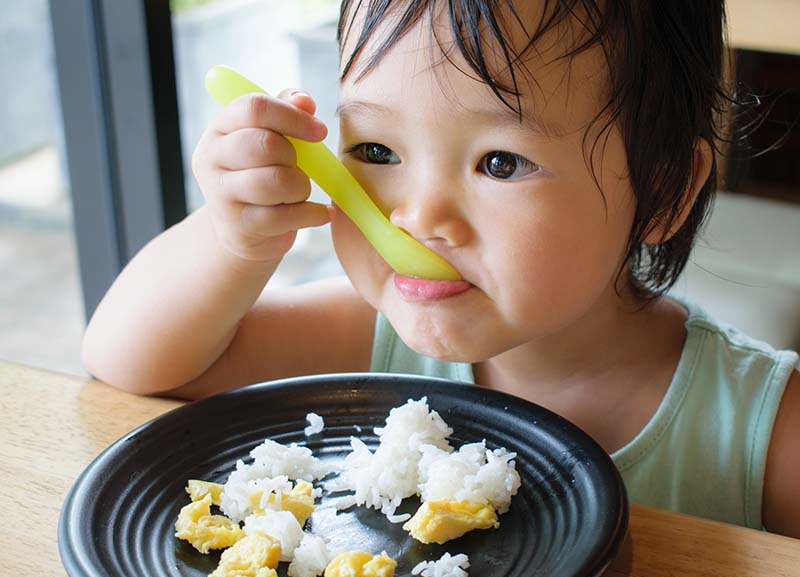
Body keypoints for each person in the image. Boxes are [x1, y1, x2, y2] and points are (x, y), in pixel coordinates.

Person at [82, 1, 799, 537]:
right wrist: (228, 240)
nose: (416, 218)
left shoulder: (760, 430)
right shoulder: (368, 338)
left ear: (664, 192)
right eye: (377, 152)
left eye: (500, 162)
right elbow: (134, 364)